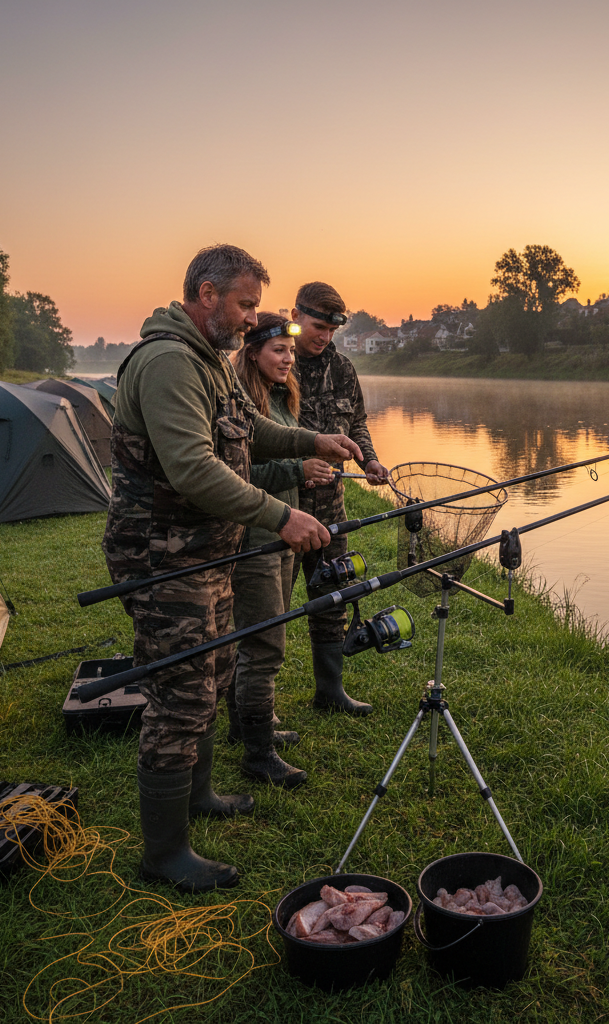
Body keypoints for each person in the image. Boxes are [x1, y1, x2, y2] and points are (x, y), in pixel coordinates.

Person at [102, 245, 362, 893]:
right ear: (207, 293)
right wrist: (281, 515)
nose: (253, 319)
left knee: (214, 672)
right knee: (182, 693)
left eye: (254, 305)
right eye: (246, 304)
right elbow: (193, 468)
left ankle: (200, 796)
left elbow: (249, 432)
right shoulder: (168, 363)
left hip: (206, 549)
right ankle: (163, 854)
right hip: (163, 552)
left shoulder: (208, 361)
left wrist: (314, 440)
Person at [228, 313, 333, 789]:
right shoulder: (241, 403)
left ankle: (249, 723)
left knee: (263, 637)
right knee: (263, 645)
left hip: (283, 536)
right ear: (253, 353)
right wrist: (298, 470)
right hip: (255, 539)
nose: (289, 359)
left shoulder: (280, 397)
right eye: (278, 351)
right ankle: (257, 754)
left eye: (290, 352)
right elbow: (237, 479)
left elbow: (284, 459)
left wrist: (305, 468)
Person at [291, 282, 389, 715]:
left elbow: (359, 423)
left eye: (331, 331)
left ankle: (330, 693)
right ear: (295, 316)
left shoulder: (344, 369)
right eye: (317, 327)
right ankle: (255, 708)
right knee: (266, 604)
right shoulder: (272, 360)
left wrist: (369, 460)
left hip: (331, 506)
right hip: (280, 505)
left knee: (332, 595)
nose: (324, 338)